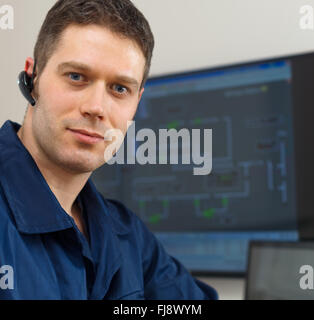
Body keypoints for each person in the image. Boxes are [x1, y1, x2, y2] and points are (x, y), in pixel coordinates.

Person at [0, 0, 218, 300]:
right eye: (76, 76)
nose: (96, 108)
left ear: (137, 102)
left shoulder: (126, 235)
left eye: (119, 89)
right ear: (32, 77)